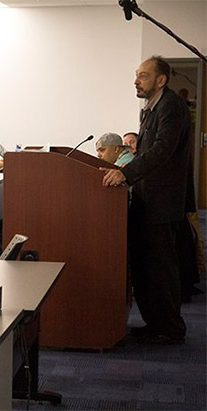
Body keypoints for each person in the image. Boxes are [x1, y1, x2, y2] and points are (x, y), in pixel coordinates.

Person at [102, 56, 192, 345]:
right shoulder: (150, 109)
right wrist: (120, 171)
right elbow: (143, 153)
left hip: (162, 202)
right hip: (146, 198)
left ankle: (170, 328)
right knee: (145, 266)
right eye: (136, 75)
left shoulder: (172, 107)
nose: (136, 81)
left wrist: (126, 174)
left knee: (161, 268)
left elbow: (162, 150)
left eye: (142, 75)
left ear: (160, 80)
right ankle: (155, 324)